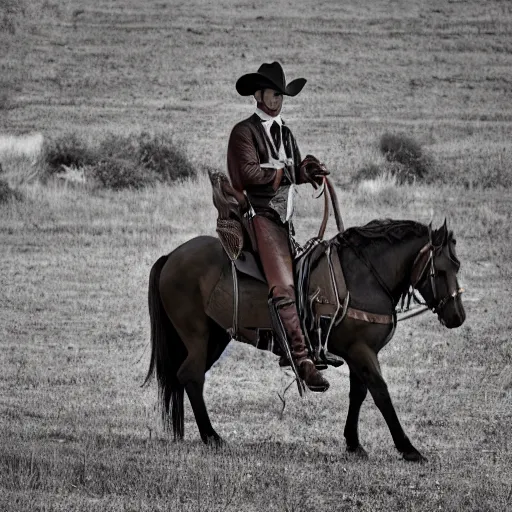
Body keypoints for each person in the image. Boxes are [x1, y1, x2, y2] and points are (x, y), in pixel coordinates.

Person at [227, 61, 330, 392]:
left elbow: (294, 170)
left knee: (309, 274)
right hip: (259, 217)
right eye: (274, 94)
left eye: (282, 95)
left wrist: (307, 169)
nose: (279, 99)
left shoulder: (286, 132)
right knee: (284, 286)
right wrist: (287, 173)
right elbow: (247, 175)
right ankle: (301, 360)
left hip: (285, 222)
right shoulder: (244, 132)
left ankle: (317, 344)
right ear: (258, 95)